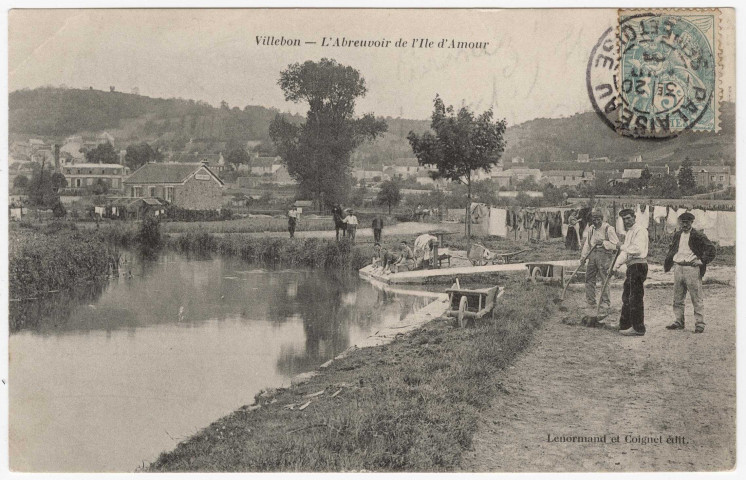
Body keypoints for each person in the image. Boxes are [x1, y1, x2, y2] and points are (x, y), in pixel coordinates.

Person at [664, 212, 716, 333]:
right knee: (677, 297)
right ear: (680, 223)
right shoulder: (677, 235)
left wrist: (702, 261)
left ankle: (699, 323)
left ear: (692, 223)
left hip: (691, 269)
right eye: (682, 222)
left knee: (696, 297)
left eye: (687, 222)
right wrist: (670, 262)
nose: (685, 225)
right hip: (678, 268)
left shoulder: (698, 235)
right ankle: (678, 321)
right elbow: (673, 249)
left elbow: (712, 249)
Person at [613, 208, 649, 336]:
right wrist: (614, 267)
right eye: (624, 219)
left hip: (639, 265)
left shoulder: (640, 230)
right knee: (627, 296)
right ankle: (625, 324)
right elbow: (625, 253)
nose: (626, 221)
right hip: (631, 266)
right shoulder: (629, 232)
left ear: (634, 217)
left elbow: (637, 250)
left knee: (635, 297)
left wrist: (621, 246)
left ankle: (638, 328)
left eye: (628, 218)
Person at [580, 208, 620, 310]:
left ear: (602, 219)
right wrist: (583, 257)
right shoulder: (591, 229)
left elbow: (616, 245)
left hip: (605, 255)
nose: (596, 221)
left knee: (604, 279)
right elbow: (587, 244)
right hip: (592, 254)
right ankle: (591, 301)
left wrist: (604, 243)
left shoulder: (608, 229)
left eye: (598, 218)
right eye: (593, 218)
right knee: (589, 278)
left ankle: (605, 302)